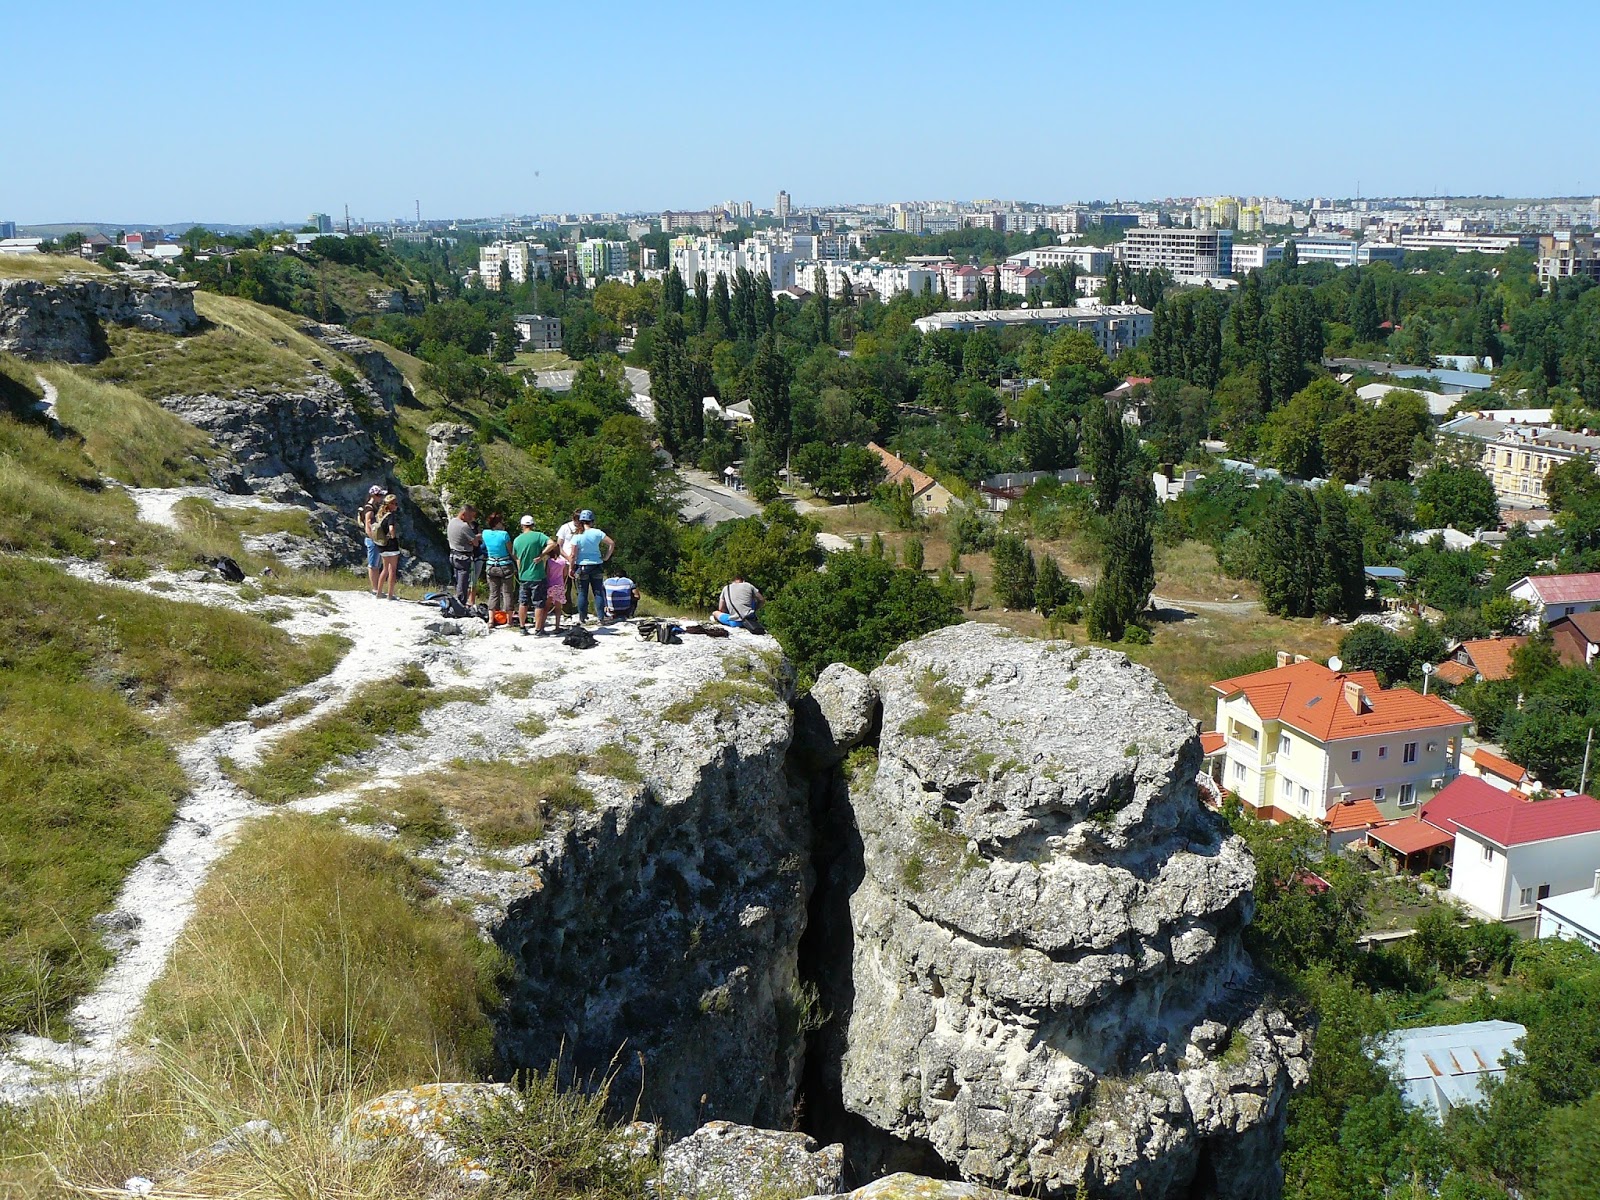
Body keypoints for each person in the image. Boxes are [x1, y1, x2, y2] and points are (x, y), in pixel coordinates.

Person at [564, 509, 614, 627]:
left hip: (582, 566)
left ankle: (582, 618)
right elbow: (611, 543)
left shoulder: (577, 536)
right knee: (598, 592)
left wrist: (571, 568)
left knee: (582, 593)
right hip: (596, 564)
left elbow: (573, 555)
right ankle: (600, 618)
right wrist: (606, 557)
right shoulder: (597, 532)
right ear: (592, 521)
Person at [512, 515, 556, 636]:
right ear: (532, 525)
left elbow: (517, 558)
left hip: (523, 576)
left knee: (523, 602)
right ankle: (538, 629)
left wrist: (520, 570)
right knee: (539, 603)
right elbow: (552, 544)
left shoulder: (517, 540)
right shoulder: (538, 536)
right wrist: (542, 555)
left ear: (522, 525)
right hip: (537, 575)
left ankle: (522, 628)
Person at [480, 512, 516, 623]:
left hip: (491, 565)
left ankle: (491, 620)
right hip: (505, 565)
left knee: (493, 593)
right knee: (507, 593)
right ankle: (509, 620)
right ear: (498, 523)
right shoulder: (504, 534)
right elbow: (511, 551)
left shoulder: (485, 533)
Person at [370, 493, 403, 600]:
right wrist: (393, 537)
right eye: (395, 503)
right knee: (392, 570)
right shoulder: (390, 516)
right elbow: (391, 529)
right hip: (391, 545)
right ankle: (390, 594)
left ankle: (379, 592)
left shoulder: (379, 515)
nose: (396, 506)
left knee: (384, 569)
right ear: (390, 504)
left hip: (382, 545)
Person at [447, 503, 480, 606]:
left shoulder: (452, 522)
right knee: (463, 582)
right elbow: (475, 543)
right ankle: (461, 604)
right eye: (470, 516)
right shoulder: (464, 526)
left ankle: (457, 601)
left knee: (457, 580)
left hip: (453, 554)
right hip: (463, 556)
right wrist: (477, 537)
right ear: (464, 514)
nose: (471, 519)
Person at [359, 484, 385, 596]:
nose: (381, 498)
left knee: (376, 564)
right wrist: (373, 538)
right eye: (379, 495)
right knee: (373, 564)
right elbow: (368, 525)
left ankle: (376, 588)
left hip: (375, 539)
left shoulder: (372, 507)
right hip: (372, 539)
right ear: (374, 495)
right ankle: (375, 589)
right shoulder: (369, 508)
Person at [545, 547, 569, 633]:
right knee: (558, 608)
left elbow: (547, 573)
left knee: (546, 607)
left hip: (550, 585)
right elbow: (565, 574)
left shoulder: (549, 561)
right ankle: (557, 627)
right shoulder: (563, 562)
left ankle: (541, 625)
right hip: (559, 585)